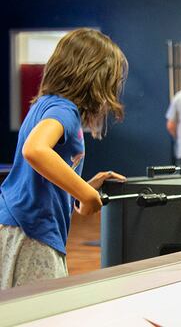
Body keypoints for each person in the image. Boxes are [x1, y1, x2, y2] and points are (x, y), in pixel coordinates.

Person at [0, 28, 127, 289]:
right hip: (30, 230)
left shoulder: (47, 104)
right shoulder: (64, 110)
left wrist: (84, 186)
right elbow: (35, 150)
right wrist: (86, 194)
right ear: (93, 75)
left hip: (23, 226)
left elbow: (41, 176)